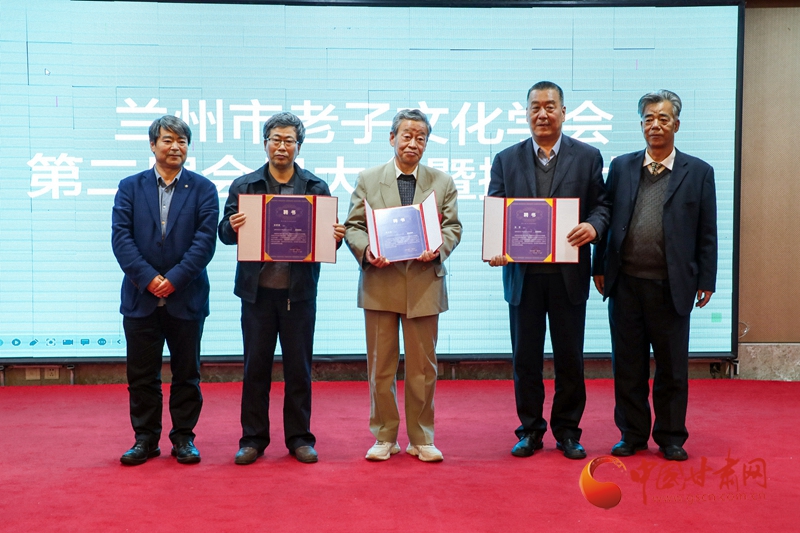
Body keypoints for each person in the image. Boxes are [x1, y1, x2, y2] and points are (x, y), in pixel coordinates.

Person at [488, 81, 610, 460]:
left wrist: (593, 227)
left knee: (570, 358)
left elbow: (602, 206)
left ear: (563, 112)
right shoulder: (506, 159)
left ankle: (568, 431)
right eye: (535, 107)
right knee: (525, 359)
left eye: (550, 106)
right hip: (523, 276)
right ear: (526, 113)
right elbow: (497, 210)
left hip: (568, 275)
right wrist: (496, 247)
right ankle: (530, 430)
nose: (542, 114)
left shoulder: (587, 157)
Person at [593, 90, 717, 462]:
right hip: (626, 283)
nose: (655, 125)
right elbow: (606, 217)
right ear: (641, 125)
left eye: (663, 118)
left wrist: (706, 279)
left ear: (676, 124)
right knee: (627, 365)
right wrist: (599, 266)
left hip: (672, 285)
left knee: (672, 367)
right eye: (648, 118)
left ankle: (671, 436)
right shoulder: (622, 167)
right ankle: (631, 435)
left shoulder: (699, 172)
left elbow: (707, 231)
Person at [218, 112, 345, 465]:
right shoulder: (245, 186)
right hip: (256, 294)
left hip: (298, 294)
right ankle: (253, 439)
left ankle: (300, 438)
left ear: (299, 146)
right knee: (255, 369)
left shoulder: (315, 187)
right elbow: (224, 234)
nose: (282, 146)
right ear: (265, 143)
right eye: (276, 139)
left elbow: (327, 242)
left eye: (289, 140)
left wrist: (335, 237)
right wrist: (231, 226)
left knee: (298, 370)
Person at [344, 109, 461, 462]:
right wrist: (367, 251)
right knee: (381, 367)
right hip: (381, 282)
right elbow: (353, 226)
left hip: (424, 284)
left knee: (423, 369)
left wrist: (438, 247)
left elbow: (452, 227)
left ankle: (421, 438)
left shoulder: (442, 182)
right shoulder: (368, 179)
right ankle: (384, 436)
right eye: (406, 135)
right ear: (392, 137)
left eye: (420, 137)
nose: (413, 143)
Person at [112, 115, 219, 466]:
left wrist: (174, 279)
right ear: (152, 144)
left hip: (186, 296)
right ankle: (145, 439)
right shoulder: (130, 187)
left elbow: (204, 242)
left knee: (187, 374)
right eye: (168, 140)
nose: (175, 147)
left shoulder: (203, 189)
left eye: (182, 141)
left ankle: (184, 438)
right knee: (141, 375)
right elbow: (121, 239)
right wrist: (148, 279)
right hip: (140, 297)